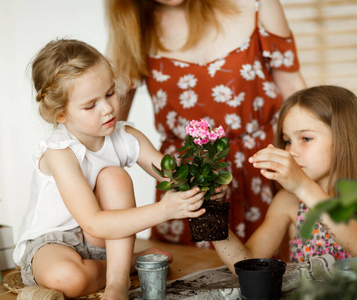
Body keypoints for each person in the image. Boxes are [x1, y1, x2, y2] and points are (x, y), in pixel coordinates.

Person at [12, 38, 211, 300]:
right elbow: (93, 222)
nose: (107, 109)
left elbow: (173, 176)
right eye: (91, 105)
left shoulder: (126, 137)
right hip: (52, 243)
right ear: (60, 114)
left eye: (109, 93)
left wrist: (203, 183)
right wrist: (164, 210)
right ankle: (127, 264)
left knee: (115, 177)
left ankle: (117, 282)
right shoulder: (59, 152)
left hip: (102, 242)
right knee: (66, 279)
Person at [106, 0, 307, 248]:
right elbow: (109, 130)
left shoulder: (256, 5)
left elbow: (295, 93)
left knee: (273, 276)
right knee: (192, 277)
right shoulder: (133, 29)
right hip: (188, 181)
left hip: (264, 171)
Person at [212, 85, 357, 272]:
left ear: (344, 139)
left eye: (306, 138)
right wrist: (211, 214)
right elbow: (246, 265)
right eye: (287, 141)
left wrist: (302, 186)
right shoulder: (287, 202)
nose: (292, 152)